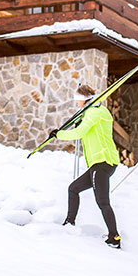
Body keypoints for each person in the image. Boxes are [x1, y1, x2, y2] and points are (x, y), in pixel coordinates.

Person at [50, 84, 121, 248]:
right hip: (101, 163)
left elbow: (79, 133)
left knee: (103, 202)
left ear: (85, 100)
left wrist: (58, 134)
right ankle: (70, 222)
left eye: (77, 100)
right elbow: (86, 129)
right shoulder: (96, 111)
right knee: (73, 188)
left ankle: (114, 237)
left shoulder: (94, 113)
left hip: (102, 162)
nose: (76, 103)